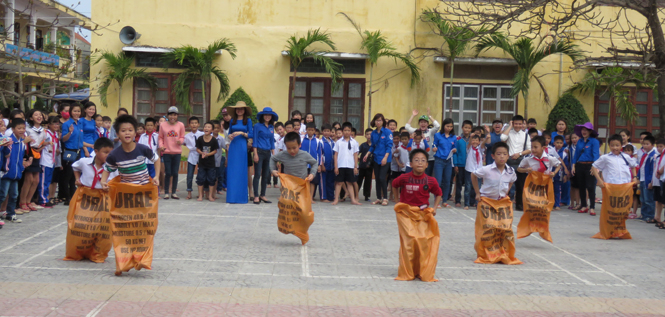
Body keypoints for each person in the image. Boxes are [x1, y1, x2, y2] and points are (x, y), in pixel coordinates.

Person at [391, 148, 443, 282]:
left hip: (422, 214)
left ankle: (420, 270)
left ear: (427, 164)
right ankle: (407, 271)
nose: (419, 163)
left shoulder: (430, 181)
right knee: (410, 239)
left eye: (423, 161)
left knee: (424, 241)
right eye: (416, 160)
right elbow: (394, 185)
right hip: (406, 214)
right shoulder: (404, 177)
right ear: (411, 163)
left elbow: (438, 194)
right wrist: (397, 202)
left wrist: (435, 208)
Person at [100, 115, 160, 188]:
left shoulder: (143, 149)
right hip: (127, 191)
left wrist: (156, 176)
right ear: (118, 134)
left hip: (144, 190)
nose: (127, 133)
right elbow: (107, 169)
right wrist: (103, 181)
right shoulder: (114, 154)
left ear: (135, 133)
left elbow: (156, 159)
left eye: (130, 130)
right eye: (123, 130)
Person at [592, 134, 639, 218]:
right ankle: (609, 228)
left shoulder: (626, 157)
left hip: (624, 187)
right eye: (612, 145)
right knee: (611, 208)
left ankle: (620, 228)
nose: (615, 148)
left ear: (621, 145)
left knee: (622, 208)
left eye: (617, 145)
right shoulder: (605, 158)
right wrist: (599, 180)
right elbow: (594, 167)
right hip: (611, 187)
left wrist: (635, 177)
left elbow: (633, 166)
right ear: (609, 146)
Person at [19, 109, 49, 213]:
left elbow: (41, 144)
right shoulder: (28, 129)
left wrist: (41, 148)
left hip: (37, 154)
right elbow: (25, 142)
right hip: (29, 154)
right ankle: (22, 201)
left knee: (36, 180)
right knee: (29, 179)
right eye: (36, 115)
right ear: (31, 118)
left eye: (40, 114)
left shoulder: (43, 130)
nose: (39, 116)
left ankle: (29, 201)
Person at [0, 118, 29, 223]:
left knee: (14, 194)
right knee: (2, 194)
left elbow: (20, 157)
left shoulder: (22, 142)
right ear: (12, 129)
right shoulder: (8, 140)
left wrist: (21, 167)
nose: (21, 130)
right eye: (19, 128)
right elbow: (5, 155)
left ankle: (10, 213)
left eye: (23, 128)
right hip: (7, 172)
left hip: (16, 173)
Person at [500, 116, 531, 211]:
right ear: (513, 123)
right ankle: (505, 203)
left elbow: (529, 149)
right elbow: (502, 138)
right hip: (508, 161)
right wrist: (509, 127)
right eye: (515, 123)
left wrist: (519, 154)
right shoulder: (509, 132)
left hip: (520, 161)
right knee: (507, 183)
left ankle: (519, 205)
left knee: (520, 184)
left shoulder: (526, 135)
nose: (518, 126)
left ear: (523, 124)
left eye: (520, 124)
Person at [226, 101, 254, 204]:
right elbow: (229, 133)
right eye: (237, 109)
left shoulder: (248, 121)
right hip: (233, 146)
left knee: (242, 170)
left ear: (245, 110)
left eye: (241, 109)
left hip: (242, 146)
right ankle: (232, 197)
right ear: (235, 110)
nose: (239, 110)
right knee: (233, 171)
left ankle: (242, 197)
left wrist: (242, 133)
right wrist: (229, 136)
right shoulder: (232, 120)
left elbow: (251, 134)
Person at [363, 113, 393, 206]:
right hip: (376, 158)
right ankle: (378, 198)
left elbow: (389, 146)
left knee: (382, 177)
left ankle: (385, 198)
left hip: (385, 159)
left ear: (383, 121)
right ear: (374, 122)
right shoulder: (373, 133)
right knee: (377, 179)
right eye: (377, 120)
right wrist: (367, 154)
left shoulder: (387, 132)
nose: (378, 122)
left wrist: (385, 157)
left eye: (380, 120)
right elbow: (372, 146)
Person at [572, 122, 601, 215]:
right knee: (581, 186)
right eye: (583, 130)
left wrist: (595, 168)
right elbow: (576, 154)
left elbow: (596, 154)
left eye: (586, 130)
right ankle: (584, 205)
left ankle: (592, 207)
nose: (584, 132)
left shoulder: (594, 141)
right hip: (580, 165)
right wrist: (573, 165)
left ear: (590, 131)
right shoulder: (579, 141)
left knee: (591, 186)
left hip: (590, 165)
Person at [158, 106, 186, 200]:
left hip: (177, 152)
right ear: (168, 115)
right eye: (171, 115)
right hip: (167, 152)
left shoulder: (181, 125)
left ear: (177, 116)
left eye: (174, 115)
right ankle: (166, 192)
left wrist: (180, 141)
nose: (172, 117)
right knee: (168, 172)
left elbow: (182, 136)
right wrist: (161, 146)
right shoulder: (163, 125)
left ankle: (173, 192)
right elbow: (160, 137)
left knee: (175, 173)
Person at [252, 107, 278, 204]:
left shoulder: (271, 127)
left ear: (271, 116)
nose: (267, 116)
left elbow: (272, 142)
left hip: (268, 153)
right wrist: (255, 154)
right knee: (257, 174)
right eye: (265, 115)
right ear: (263, 116)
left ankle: (263, 195)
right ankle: (255, 196)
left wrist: (274, 156)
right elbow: (254, 140)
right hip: (259, 152)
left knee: (266, 175)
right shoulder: (257, 126)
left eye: (269, 115)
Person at [332, 122, 361, 205]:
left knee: (350, 183)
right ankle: (336, 199)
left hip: (350, 165)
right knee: (339, 183)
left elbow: (355, 155)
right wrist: (336, 167)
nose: (347, 132)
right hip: (341, 165)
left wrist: (355, 167)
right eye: (345, 130)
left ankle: (353, 200)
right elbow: (335, 155)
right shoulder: (338, 142)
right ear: (342, 131)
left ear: (351, 131)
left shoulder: (354, 142)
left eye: (348, 130)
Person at [60, 102, 84, 205]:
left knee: (75, 175)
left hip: (78, 151)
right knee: (68, 174)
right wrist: (69, 132)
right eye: (74, 111)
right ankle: (67, 197)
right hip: (69, 151)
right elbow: (63, 139)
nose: (77, 113)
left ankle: (74, 196)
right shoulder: (67, 124)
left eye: (78, 111)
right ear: (70, 112)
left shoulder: (80, 123)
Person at [405, 109, 440, 176]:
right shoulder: (416, 131)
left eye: (425, 122)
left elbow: (437, 126)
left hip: (430, 158)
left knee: (428, 177)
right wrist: (413, 115)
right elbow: (407, 127)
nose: (423, 124)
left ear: (427, 124)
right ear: (419, 124)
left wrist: (429, 116)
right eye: (421, 122)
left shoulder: (430, 131)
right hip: (417, 159)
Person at [432, 118, 457, 208]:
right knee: (438, 181)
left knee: (447, 181)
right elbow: (434, 144)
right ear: (443, 126)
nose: (449, 128)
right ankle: (437, 200)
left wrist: (454, 150)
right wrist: (434, 148)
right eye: (447, 126)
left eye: (451, 126)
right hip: (439, 160)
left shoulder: (453, 137)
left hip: (448, 161)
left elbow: (455, 147)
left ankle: (445, 200)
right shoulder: (438, 135)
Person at [38, 116, 60, 208]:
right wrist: (44, 144)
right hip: (45, 160)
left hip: (51, 161)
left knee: (48, 181)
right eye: (54, 123)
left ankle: (46, 198)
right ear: (49, 124)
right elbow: (39, 144)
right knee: (43, 182)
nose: (56, 125)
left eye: (58, 124)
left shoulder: (56, 134)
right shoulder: (46, 133)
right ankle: (42, 200)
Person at [195, 122, 219, 202]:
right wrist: (201, 153)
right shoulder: (200, 139)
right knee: (200, 179)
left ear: (212, 130)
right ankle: (200, 196)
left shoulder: (214, 140)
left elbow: (215, 150)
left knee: (211, 179)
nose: (206, 128)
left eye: (209, 127)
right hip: (202, 163)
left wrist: (208, 154)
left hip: (211, 163)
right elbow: (197, 148)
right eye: (205, 127)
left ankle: (210, 196)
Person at [637, 135, 656, 222]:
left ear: (652, 145)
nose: (645, 146)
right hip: (642, 179)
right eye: (644, 144)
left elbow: (653, 170)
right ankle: (643, 215)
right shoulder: (644, 154)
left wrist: (651, 181)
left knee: (649, 199)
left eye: (647, 144)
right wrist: (638, 177)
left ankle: (650, 215)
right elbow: (641, 167)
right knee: (643, 199)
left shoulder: (654, 155)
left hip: (648, 180)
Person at [301, 122, 322, 200]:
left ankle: (310, 197)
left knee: (313, 181)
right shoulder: (302, 139)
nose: (310, 132)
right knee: (304, 180)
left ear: (314, 131)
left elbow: (319, 153)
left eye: (312, 130)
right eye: (309, 130)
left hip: (313, 165)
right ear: (306, 130)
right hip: (303, 164)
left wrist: (319, 164)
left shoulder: (317, 141)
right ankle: (303, 197)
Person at [453, 120, 472, 208]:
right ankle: (458, 200)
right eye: (465, 127)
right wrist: (455, 164)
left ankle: (468, 202)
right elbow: (455, 153)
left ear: (471, 129)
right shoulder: (458, 139)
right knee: (459, 183)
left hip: (470, 166)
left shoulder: (473, 140)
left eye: (469, 128)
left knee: (468, 184)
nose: (467, 129)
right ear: (462, 128)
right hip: (460, 165)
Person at [184, 116, 203, 199]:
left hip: (201, 156)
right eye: (192, 123)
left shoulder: (202, 134)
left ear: (198, 124)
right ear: (189, 125)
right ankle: (189, 192)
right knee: (189, 175)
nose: (194, 124)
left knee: (201, 175)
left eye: (195, 123)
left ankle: (201, 193)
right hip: (191, 156)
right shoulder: (187, 136)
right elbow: (183, 143)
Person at [464, 134, 484, 209]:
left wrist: (486, 138)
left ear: (479, 142)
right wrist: (471, 137)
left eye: (476, 140)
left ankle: (477, 203)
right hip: (469, 170)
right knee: (468, 187)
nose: (474, 141)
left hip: (478, 171)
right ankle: (466, 204)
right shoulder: (469, 148)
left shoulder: (480, 148)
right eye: (473, 140)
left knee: (477, 188)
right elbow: (469, 143)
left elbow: (483, 144)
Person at [390, 132, 409, 202]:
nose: (404, 140)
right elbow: (395, 156)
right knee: (399, 182)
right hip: (402, 168)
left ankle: (405, 197)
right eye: (403, 139)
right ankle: (396, 196)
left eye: (405, 139)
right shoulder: (399, 148)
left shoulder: (411, 147)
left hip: (410, 168)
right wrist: (399, 164)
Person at [553, 135, 570, 210]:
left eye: (560, 143)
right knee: (550, 189)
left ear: (563, 144)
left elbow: (566, 165)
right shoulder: (550, 151)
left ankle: (557, 204)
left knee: (557, 189)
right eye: (557, 142)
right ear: (554, 143)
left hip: (559, 174)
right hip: (550, 173)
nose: (559, 144)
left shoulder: (564, 154)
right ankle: (550, 203)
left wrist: (565, 175)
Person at [319, 124, 335, 202]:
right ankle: (323, 197)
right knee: (323, 182)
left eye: (328, 131)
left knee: (330, 182)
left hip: (332, 166)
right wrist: (321, 165)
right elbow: (320, 154)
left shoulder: (333, 142)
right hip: (324, 165)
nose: (326, 133)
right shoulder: (321, 142)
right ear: (322, 132)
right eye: (325, 131)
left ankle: (331, 196)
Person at [357, 128, 373, 202]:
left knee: (368, 182)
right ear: (365, 135)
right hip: (362, 166)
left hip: (370, 167)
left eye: (371, 134)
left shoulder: (374, 146)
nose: (369, 136)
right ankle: (355, 194)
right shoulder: (363, 145)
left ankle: (367, 196)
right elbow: (357, 153)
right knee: (359, 181)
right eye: (367, 134)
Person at [652, 139, 665, 228]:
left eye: (661, 146)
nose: (659, 148)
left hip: (662, 177)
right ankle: (658, 217)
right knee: (660, 199)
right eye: (658, 146)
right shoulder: (659, 156)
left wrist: (660, 171)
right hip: (660, 179)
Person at [212, 120, 226, 197]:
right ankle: (207, 191)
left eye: (217, 128)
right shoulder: (208, 137)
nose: (216, 129)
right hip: (209, 160)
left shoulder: (221, 138)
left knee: (217, 176)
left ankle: (215, 191)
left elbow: (226, 148)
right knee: (208, 176)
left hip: (218, 160)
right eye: (214, 128)